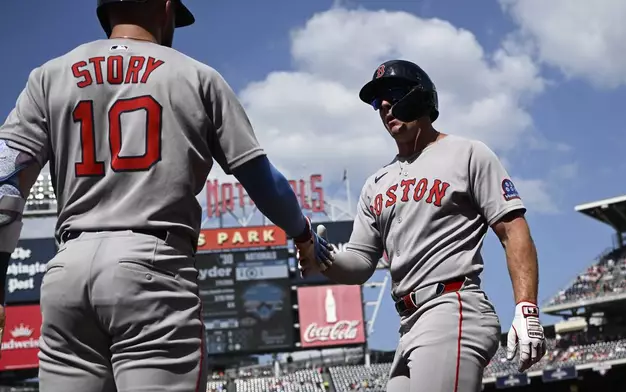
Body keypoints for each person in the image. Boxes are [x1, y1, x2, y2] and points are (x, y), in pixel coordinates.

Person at [0, 1, 332, 391]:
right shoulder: (195, 75)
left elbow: (6, 187)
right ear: (166, 7)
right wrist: (303, 233)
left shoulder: (48, 76)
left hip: (66, 271)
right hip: (153, 269)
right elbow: (261, 179)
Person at [298, 59, 546, 392]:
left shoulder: (468, 153)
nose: (385, 107)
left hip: (452, 306)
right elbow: (359, 262)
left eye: (394, 95)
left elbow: (513, 229)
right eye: (378, 103)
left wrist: (526, 307)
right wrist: (323, 258)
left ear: (423, 97)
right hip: (409, 324)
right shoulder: (376, 183)